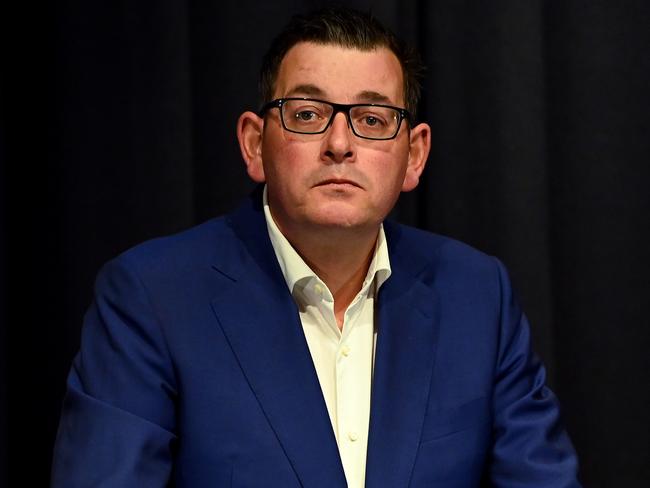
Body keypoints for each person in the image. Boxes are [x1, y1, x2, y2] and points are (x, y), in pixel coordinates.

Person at [51, 7, 581, 488]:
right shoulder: (152, 297)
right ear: (255, 144)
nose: (340, 144)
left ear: (414, 156)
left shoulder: (477, 296)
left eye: (372, 120)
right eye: (307, 114)